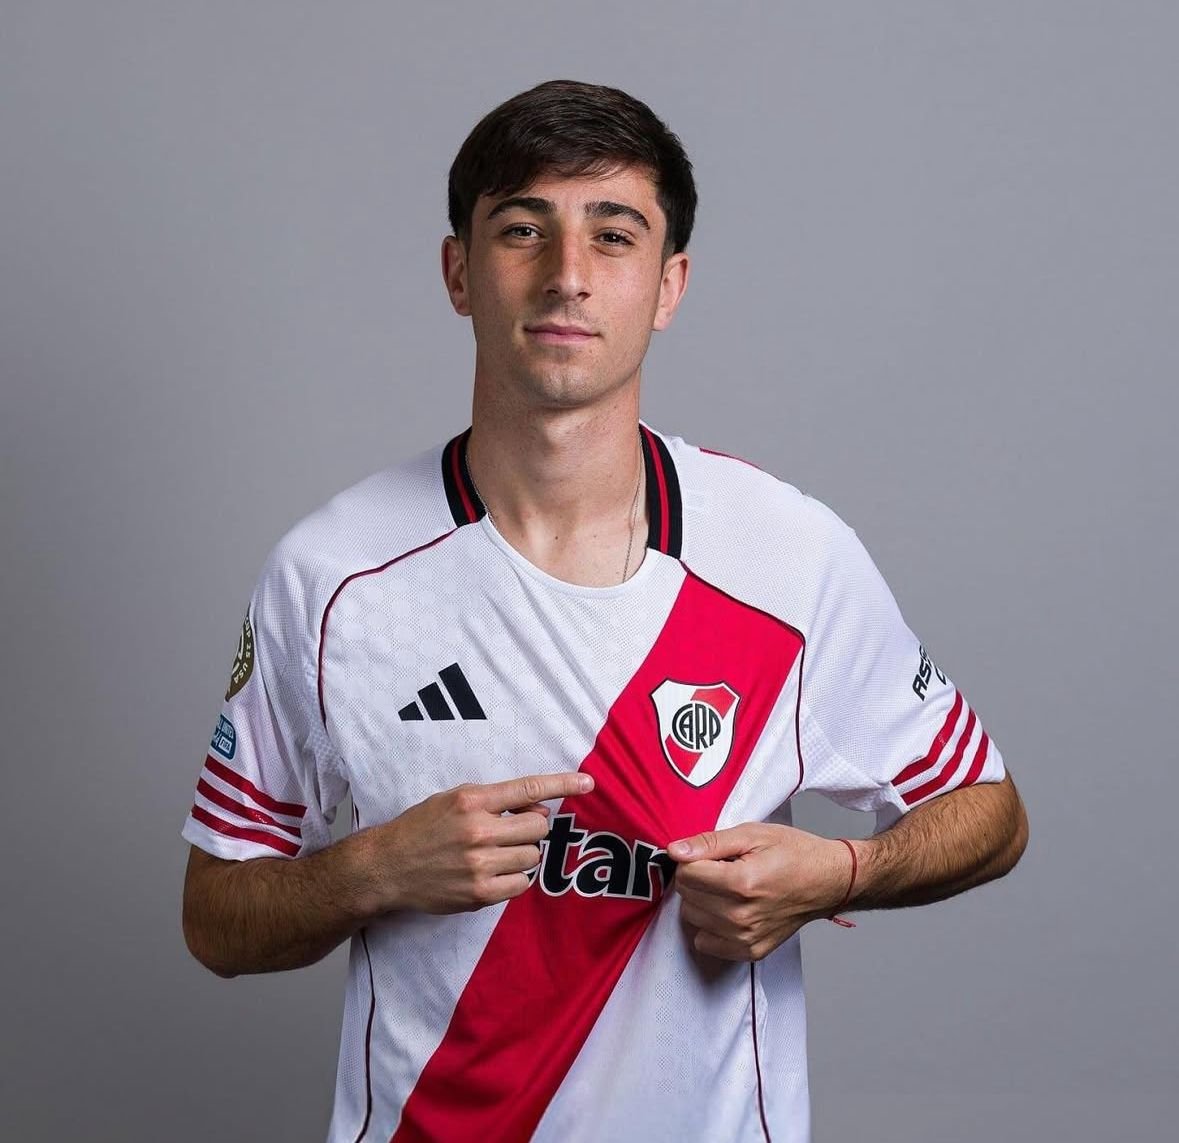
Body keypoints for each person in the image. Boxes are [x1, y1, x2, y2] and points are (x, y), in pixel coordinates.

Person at [181, 79, 1028, 1143]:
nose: (567, 274)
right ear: (458, 272)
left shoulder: (786, 555)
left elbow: (988, 813)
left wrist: (841, 871)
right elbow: (216, 917)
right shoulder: (334, 576)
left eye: (613, 236)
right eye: (521, 229)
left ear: (669, 285)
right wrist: (370, 872)